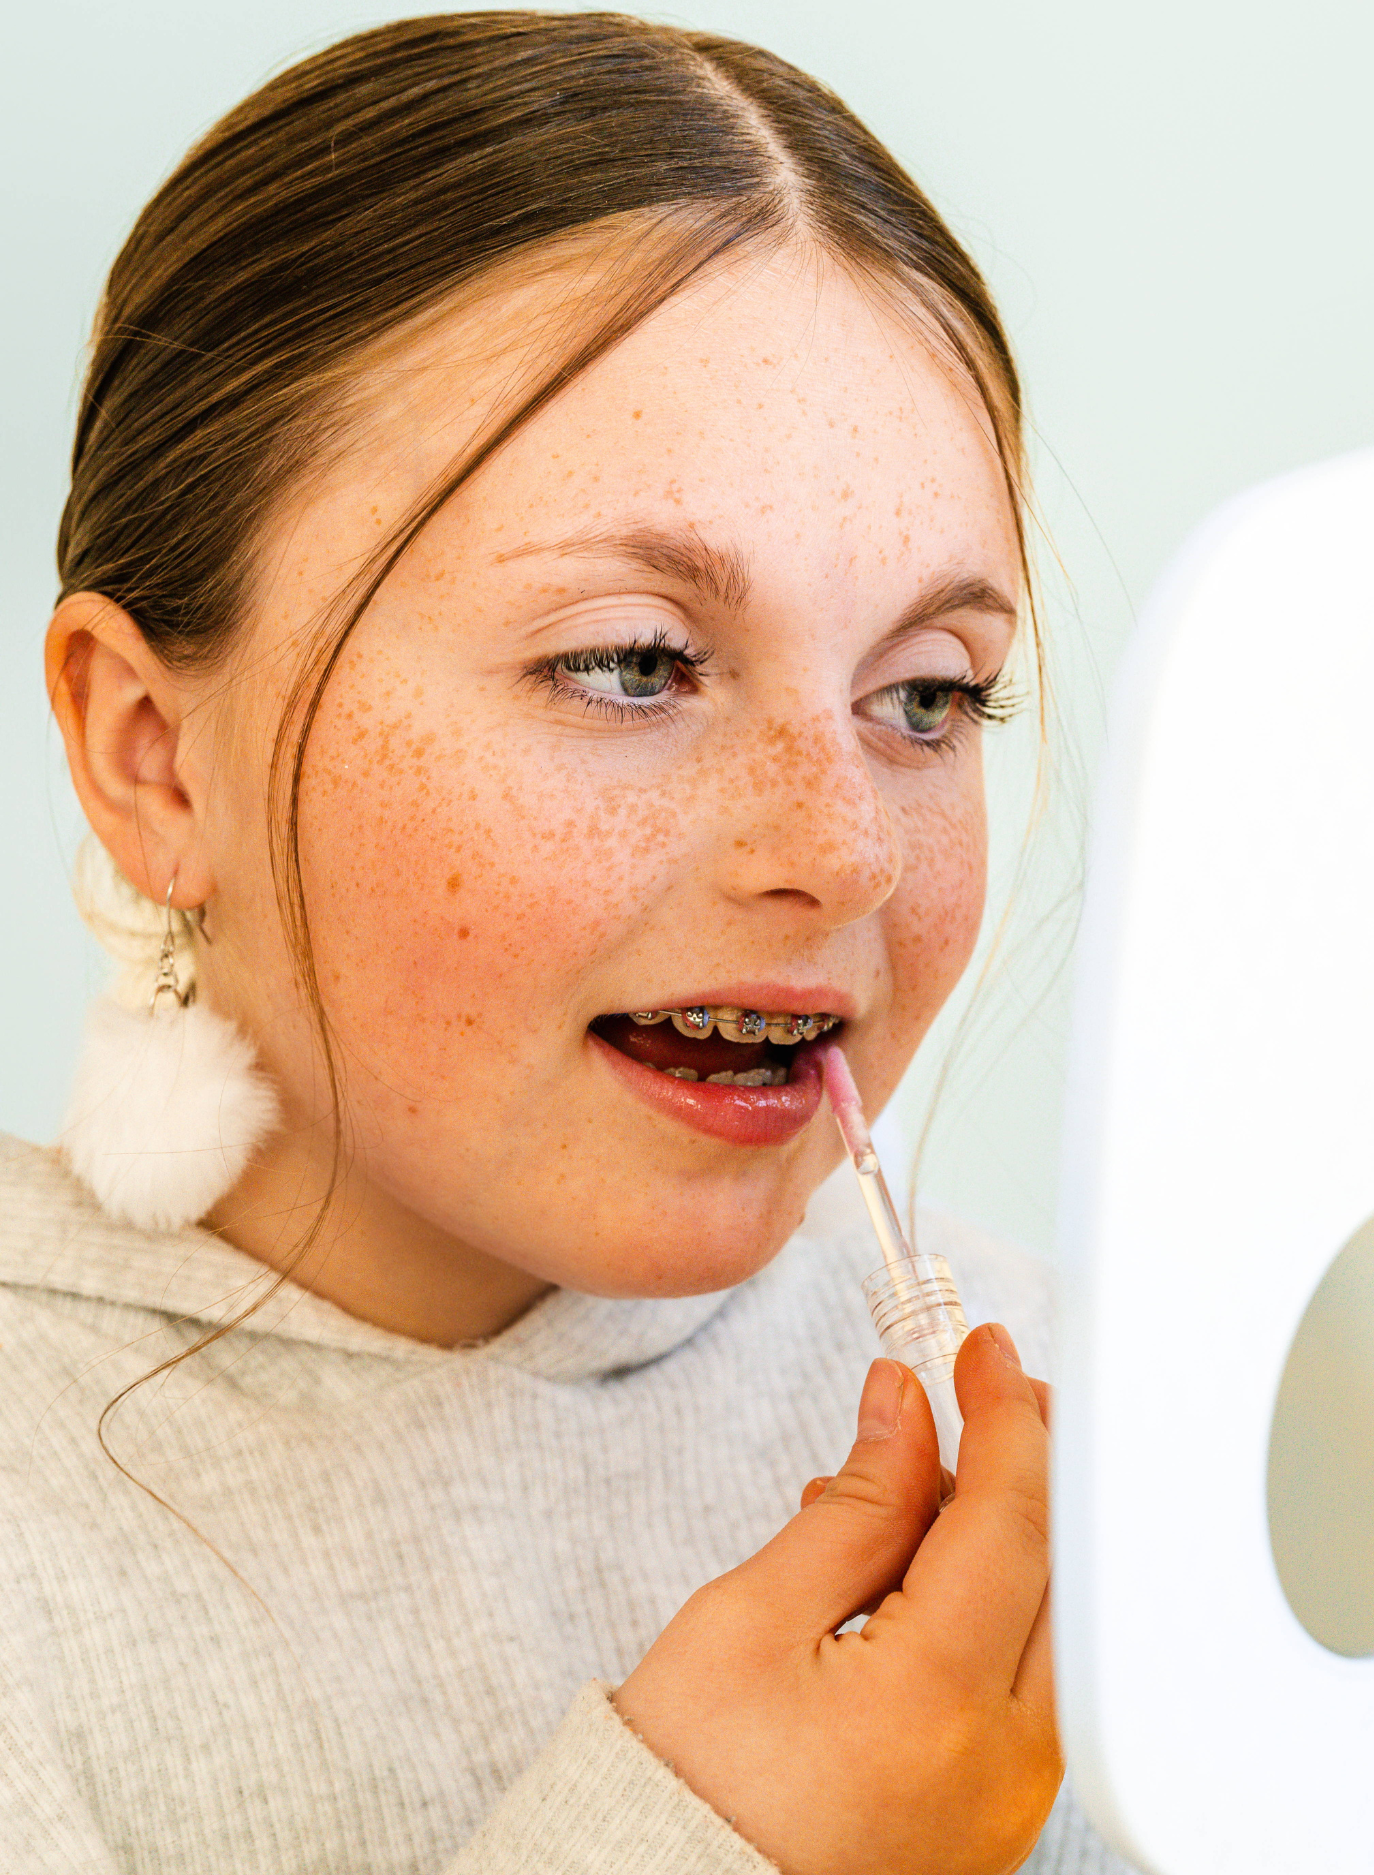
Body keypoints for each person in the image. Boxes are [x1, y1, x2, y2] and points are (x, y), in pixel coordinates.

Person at [1, 13, 1128, 1872]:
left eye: (929, 696)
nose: (841, 849)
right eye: (630, 662)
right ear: (150, 757)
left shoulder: (1113, 1444)